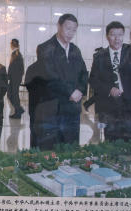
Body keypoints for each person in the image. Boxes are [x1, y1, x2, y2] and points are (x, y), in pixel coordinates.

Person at [31, 14, 89, 149]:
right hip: (53, 110)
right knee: (52, 149)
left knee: (71, 148)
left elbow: (84, 74)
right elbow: (50, 76)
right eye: (68, 28)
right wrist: (70, 92)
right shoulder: (45, 48)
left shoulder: (75, 50)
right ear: (59, 26)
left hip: (73, 109)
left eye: (74, 30)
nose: (71, 33)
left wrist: (80, 90)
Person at [89, 21, 131, 142]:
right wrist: (109, 89)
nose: (117, 39)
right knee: (112, 144)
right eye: (113, 34)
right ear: (107, 36)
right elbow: (93, 79)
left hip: (130, 109)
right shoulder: (99, 56)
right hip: (109, 109)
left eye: (120, 35)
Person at [7, 38, 25, 119]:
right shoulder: (16, 53)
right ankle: (19, 110)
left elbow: (14, 68)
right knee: (11, 94)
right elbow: (21, 69)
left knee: (13, 95)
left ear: (12, 45)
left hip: (15, 78)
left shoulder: (16, 54)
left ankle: (18, 111)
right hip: (15, 78)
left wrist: (10, 76)